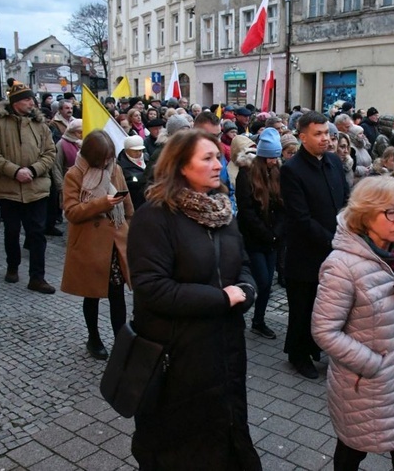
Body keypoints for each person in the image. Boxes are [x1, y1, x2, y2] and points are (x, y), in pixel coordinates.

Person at [127, 129, 262, 469]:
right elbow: (151, 287)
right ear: (180, 167)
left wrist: (246, 291)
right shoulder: (154, 216)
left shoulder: (222, 212)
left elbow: (242, 266)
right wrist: (221, 299)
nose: (219, 164)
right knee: (182, 444)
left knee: (227, 430)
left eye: (218, 157)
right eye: (208, 158)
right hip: (178, 356)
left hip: (226, 350)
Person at [312, 175, 394, 471]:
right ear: (365, 215)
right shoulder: (341, 265)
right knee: (352, 450)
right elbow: (324, 330)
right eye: (390, 212)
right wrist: (372, 364)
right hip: (365, 386)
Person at [281, 111, 350, 379]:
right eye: (318, 134)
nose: (325, 139)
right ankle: (298, 355)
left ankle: (316, 348)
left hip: (335, 249)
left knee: (325, 307)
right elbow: (300, 218)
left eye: (327, 133)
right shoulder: (292, 169)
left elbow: (345, 199)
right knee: (302, 307)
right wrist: (333, 241)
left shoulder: (333, 161)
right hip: (305, 253)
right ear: (303, 137)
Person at [61, 130, 133, 359]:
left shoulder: (116, 168)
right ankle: (93, 338)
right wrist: (102, 203)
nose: (106, 163)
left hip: (115, 242)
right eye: (102, 159)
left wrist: (131, 228)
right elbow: (71, 212)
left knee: (117, 295)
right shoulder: (74, 174)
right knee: (91, 294)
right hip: (89, 245)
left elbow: (127, 203)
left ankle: (121, 341)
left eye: (109, 157)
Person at [0, 81, 57, 294]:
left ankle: (37, 277)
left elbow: (50, 153)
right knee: (12, 231)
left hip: (36, 188)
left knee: (37, 234)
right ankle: (12, 266)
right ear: (15, 102)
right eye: (27, 99)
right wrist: (15, 171)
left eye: (32, 99)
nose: (31, 103)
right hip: (9, 188)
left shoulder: (40, 125)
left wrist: (33, 170)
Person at [236, 128, 284, 340]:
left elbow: (282, 206)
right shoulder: (246, 174)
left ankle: (259, 320)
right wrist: (267, 234)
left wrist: (277, 233)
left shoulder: (276, 172)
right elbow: (246, 212)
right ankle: (242, 313)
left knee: (267, 284)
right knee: (262, 281)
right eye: (272, 156)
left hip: (272, 238)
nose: (275, 161)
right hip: (254, 239)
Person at [116, 135, 149, 210]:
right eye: (135, 151)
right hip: (135, 203)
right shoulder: (121, 165)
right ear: (126, 150)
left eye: (140, 150)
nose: (138, 153)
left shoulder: (147, 158)